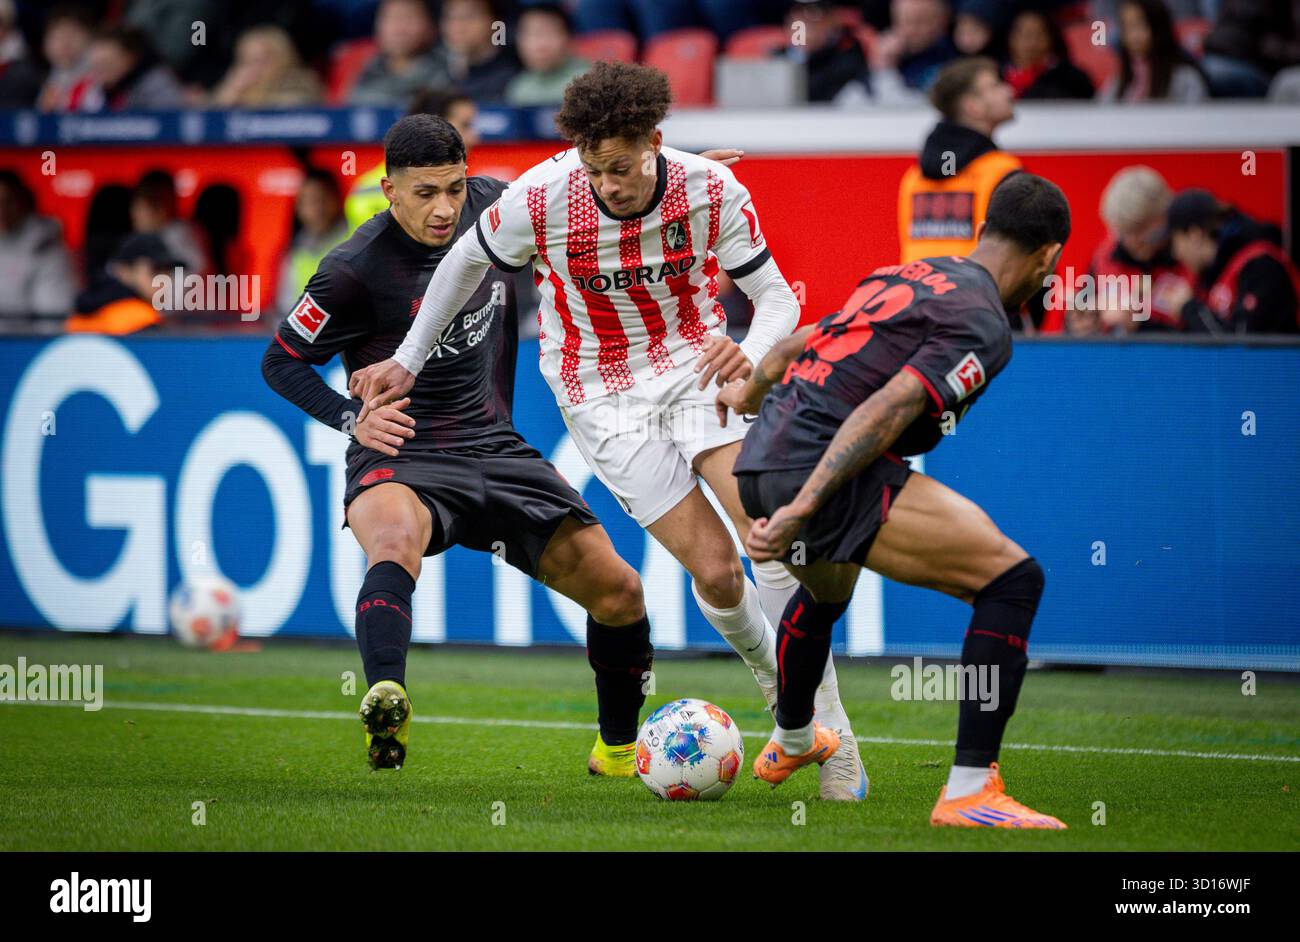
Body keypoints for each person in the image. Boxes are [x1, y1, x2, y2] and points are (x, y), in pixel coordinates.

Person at [349, 62, 870, 800]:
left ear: (657, 142)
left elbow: (777, 300)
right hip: (600, 395)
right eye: (595, 169)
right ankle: (773, 687)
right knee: (717, 573)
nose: (609, 184)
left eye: (623, 168)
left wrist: (750, 355)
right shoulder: (546, 195)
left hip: (698, 370)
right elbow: (464, 260)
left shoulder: (710, 188)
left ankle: (824, 735)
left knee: (769, 526)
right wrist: (406, 358)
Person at [262, 115, 655, 774]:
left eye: (453, 187)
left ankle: (616, 751)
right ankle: (387, 694)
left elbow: (587, 183)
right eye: (424, 193)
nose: (444, 209)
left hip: (494, 448)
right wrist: (347, 419)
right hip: (402, 451)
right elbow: (281, 362)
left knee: (620, 592)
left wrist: (678, 173)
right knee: (392, 545)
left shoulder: (499, 211)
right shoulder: (352, 270)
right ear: (388, 190)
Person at [717, 172, 1071, 829]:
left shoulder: (910, 274)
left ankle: (795, 736)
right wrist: (805, 503)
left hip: (760, 459)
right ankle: (971, 792)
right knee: (1013, 581)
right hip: (814, 469)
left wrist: (748, 397)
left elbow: (799, 345)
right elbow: (892, 404)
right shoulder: (984, 321)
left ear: (986, 228)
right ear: (1048, 256)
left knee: (825, 595)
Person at [897, 56, 1020, 264]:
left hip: (916, 293)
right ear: (972, 106)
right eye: (996, 85)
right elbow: (1025, 255)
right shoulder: (1003, 172)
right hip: (975, 294)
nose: (1009, 91)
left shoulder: (914, 176)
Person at [1163, 188, 1300, 334]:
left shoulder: (1261, 267)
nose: (1176, 253)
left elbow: (1241, 346)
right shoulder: (1211, 273)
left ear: (1194, 235)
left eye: (1175, 241)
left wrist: (1189, 309)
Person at [345, 87, 480, 233]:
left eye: (454, 190)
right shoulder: (370, 193)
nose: (475, 138)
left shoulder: (473, 186)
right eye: (466, 125)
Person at [1083, 166, 1191, 333]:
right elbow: (1075, 320)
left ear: (1164, 218)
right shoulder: (1106, 254)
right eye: (1125, 233)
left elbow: (1213, 337)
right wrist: (1080, 323)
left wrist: (1140, 326)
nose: (1133, 242)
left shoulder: (1192, 256)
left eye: (1140, 230)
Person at [0, 170, 76, 333]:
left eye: (8, 202)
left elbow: (51, 320)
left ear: (23, 203)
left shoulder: (45, 246)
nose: (2, 210)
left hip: (24, 348)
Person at [65, 233, 174, 335]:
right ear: (123, 271)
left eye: (168, 272)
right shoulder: (142, 318)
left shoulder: (79, 314)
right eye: (156, 271)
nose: (164, 281)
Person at [275, 169, 350, 317]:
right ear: (298, 208)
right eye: (309, 201)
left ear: (338, 200)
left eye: (323, 199)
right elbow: (284, 308)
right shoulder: (294, 251)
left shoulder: (354, 241)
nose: (317, 209)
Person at [349, 0, 451, 107]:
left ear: (432, 26)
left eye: (409, 17)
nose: (399, 29)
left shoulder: (448, 72)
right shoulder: (368, 68)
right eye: (391, 17)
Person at [1102, 0, 1209, 102]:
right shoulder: (1119, 82)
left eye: (1139, 25)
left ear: (1158, 26)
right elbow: (1098, 115)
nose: (1132, 36)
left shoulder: (1185, 79)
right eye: (1126, 27)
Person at [210, 24, 323, 108]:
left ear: (282, 59)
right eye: (245, 62)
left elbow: (294, 104)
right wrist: (228, 94)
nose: (252, 70)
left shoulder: (298, 84)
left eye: (260, 61)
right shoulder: (237, 92)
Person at [775, 0, 867, 103]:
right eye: (798, 11)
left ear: (832, 20)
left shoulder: (846, 59)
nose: (804, 21)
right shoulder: (774, 58)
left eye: (814, 12)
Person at [80, 26, 185, 112]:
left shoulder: (157, 84)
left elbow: (167, 124)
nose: (100, 71)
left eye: (107, 64)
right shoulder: (92, 88)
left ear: (129, 59)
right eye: (96, 65)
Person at [505, 3, 590, 107]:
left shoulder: (588, 80)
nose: (540, 45)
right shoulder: (518, 88)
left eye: (548, 33)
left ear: (569, 38)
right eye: (530, 34)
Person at [130, 170, 210, 276]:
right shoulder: (156, 236)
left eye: (140, 208)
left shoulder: (178, 233)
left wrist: (138, 280)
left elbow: (197, 271)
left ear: (160, 208)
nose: (134, 215)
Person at [1002, 8, 1095, 100]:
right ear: (1010, 38)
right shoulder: (997, 76)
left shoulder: (1072, 79)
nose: (1031, 43)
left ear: (1051, 39)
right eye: (1024, 34)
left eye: (1038, 35)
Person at [439, 0, 520, 103]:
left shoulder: (512, 78)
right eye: (449, 17)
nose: (456, 26)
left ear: (496, 22)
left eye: (468, 17)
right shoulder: (439, 74)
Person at [37, 4, 96, 112]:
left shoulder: (99, 80)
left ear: (90, 38)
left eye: (73, 34)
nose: (65, 43)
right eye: (57, 36)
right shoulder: (44, 81)